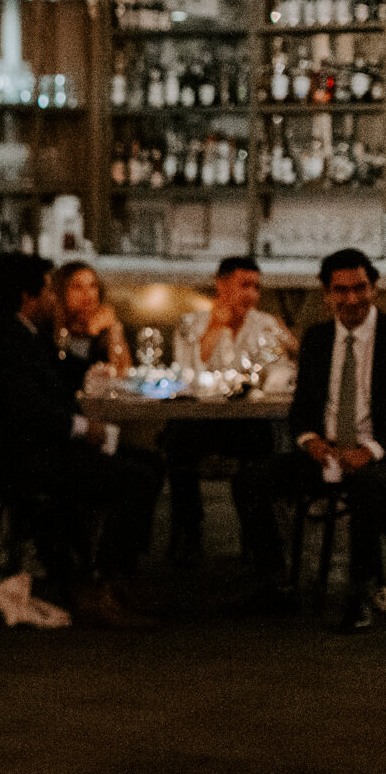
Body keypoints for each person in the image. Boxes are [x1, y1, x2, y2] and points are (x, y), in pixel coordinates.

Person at [0, 253, 165, 627]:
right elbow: (27, 411)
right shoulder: (4, 340)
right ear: (28, 297)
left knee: (150, 463)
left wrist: (95, 338)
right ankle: (98, 586)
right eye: (47, 291)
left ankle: (119, 575)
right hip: (22, 461)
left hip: (40, 449)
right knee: (135, 478)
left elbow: (66, 373)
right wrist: (81, 428)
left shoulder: (25, 333)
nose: (53, 300)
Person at [238, 248, 386, 630]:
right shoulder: (318, 339)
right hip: (326, 452)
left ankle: (363, 590)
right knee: (249, 480)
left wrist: (369, 450)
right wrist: (310, 441)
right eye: (341, 290)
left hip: (377, 454)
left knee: (368, 487)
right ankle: (274, 580)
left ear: (374, 287)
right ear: (326, 292)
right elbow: (301, 409)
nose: (351, 299)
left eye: (360, 288)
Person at [161, 256, 295, 563]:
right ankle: (188, 532)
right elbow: (185, 375)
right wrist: (215, 328)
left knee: (264, 444)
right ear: (221, 285)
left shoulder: (265, 324)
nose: (252, 294)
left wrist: (289, 345)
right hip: (199, 420)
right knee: (177, 442)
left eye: (257, 287)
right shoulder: (190, 323)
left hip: (247, 422)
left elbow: (283, 372)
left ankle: (258, 538)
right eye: (244, 285)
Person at [51, 261, 130, 394]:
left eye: (93, 286)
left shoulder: (105, 330)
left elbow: (124, 378)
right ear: (61, 292)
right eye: (77, 286)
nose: (88, 294)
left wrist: (114, 330)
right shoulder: (51, 331)